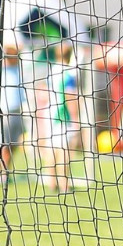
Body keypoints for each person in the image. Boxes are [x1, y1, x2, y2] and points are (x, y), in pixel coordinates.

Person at [40, 40, 80, 191]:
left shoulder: (52, 72)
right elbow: (70, 97)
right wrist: (75, 118)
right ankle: (64, 185)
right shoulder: (68, 74)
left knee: (52, 150)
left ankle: (52, 182)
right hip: (63, 116)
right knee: (65, 152)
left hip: (50, 114)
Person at [0, 46, 27, 180]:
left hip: (18, 110)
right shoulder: (2, 70)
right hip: (6, 111)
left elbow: (21, 47)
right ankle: (2, 172)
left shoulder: (19, 69)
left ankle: (6, 169)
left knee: (14, 144)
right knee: (5, 144)